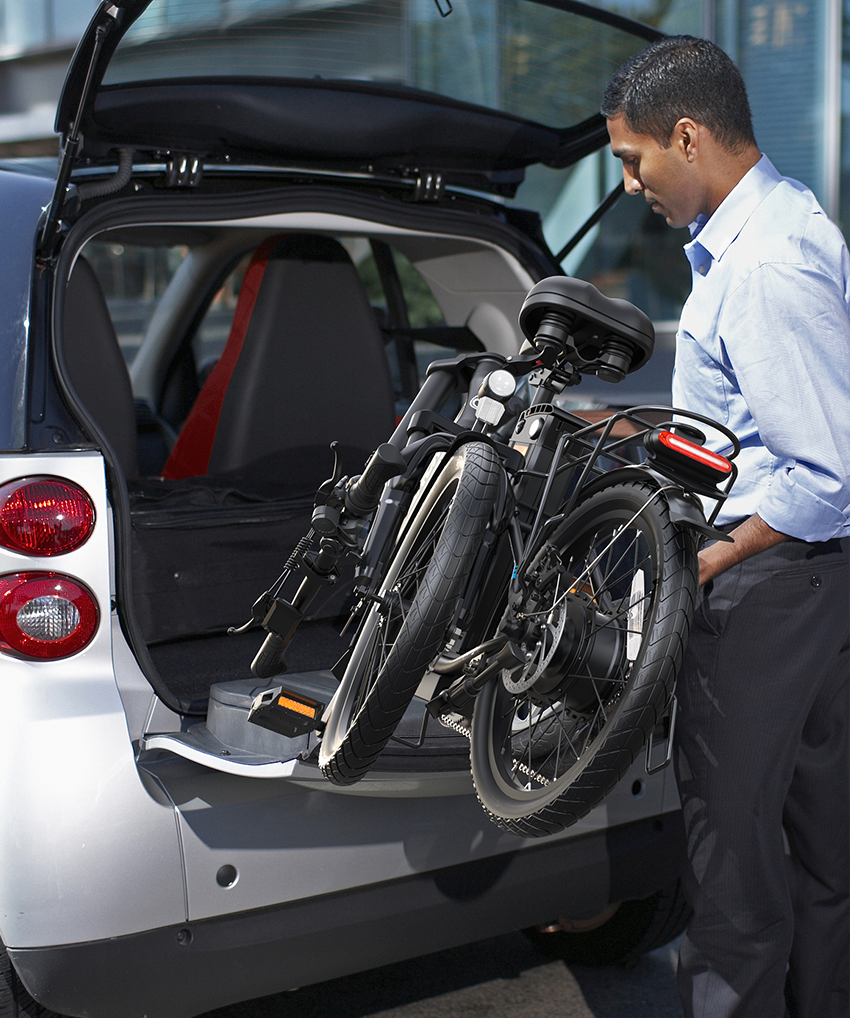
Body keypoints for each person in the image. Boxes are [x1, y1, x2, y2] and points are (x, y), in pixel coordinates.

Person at [601, 37, 850, 1018]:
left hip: (768, 580)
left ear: (690, 136)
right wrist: (651, 462)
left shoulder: (760, 268)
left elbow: (822, 470)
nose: (630, 185)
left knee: (729, 853)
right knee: (819, 838)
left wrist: (712, 554)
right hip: (812, 582)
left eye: (633, 159)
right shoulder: (781, 226)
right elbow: (747, 430)